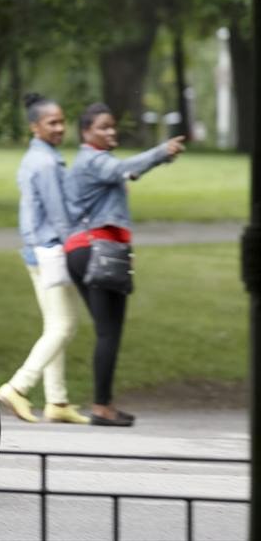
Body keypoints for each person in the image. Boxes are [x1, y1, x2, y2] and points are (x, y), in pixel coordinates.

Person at [65, 103, 185, 427]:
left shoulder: (92, 161)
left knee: (108, 332)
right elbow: (123, 168)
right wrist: (162, 151)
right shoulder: (93, 159)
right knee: (108, 333)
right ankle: (102, 406)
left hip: (83, 250)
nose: (111, 131)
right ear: (86, 132)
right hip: (98, 250)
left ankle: (105, 403)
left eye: (112, 126)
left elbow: (121, 173)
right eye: (103, 127)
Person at [0, 94, 88, 425]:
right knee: (64, 325)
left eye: (62, 121)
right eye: (52, 123)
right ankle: (18, 387)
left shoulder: (36, 157)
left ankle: (57, 401)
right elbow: (59, 215)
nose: (60, 128)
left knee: (54, 324)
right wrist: (76, 247)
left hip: (36, 249)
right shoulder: (48, 163)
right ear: (35, 127)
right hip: (51, 250)